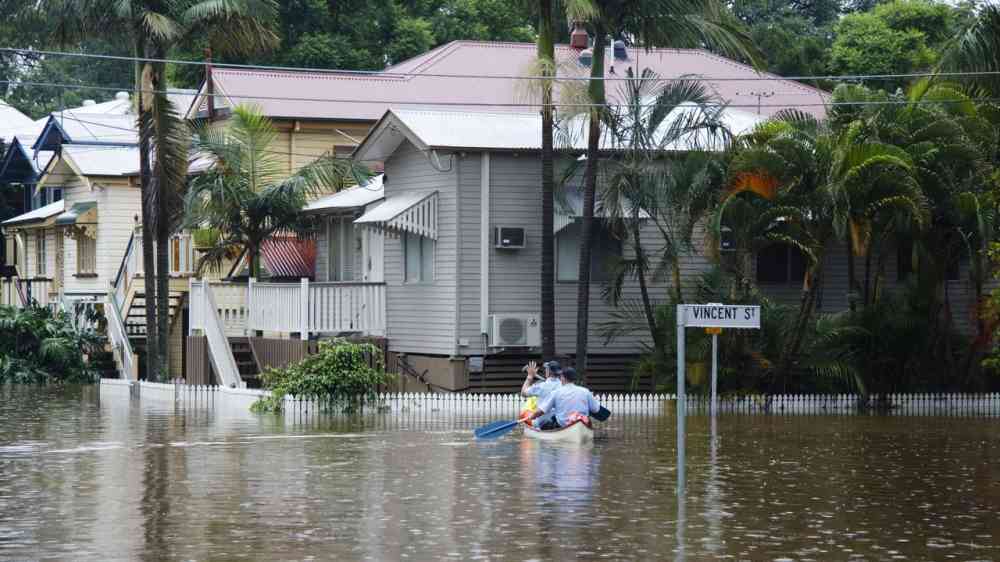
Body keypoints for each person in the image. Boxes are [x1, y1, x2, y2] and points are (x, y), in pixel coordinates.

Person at [522, 367, 601, 430]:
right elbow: (596, 410)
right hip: (582, 424)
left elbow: (542, 411)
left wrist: (533, 416)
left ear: (563, 378)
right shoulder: (585, 391)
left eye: (561, 376)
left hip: (563, 426)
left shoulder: (556, 392)